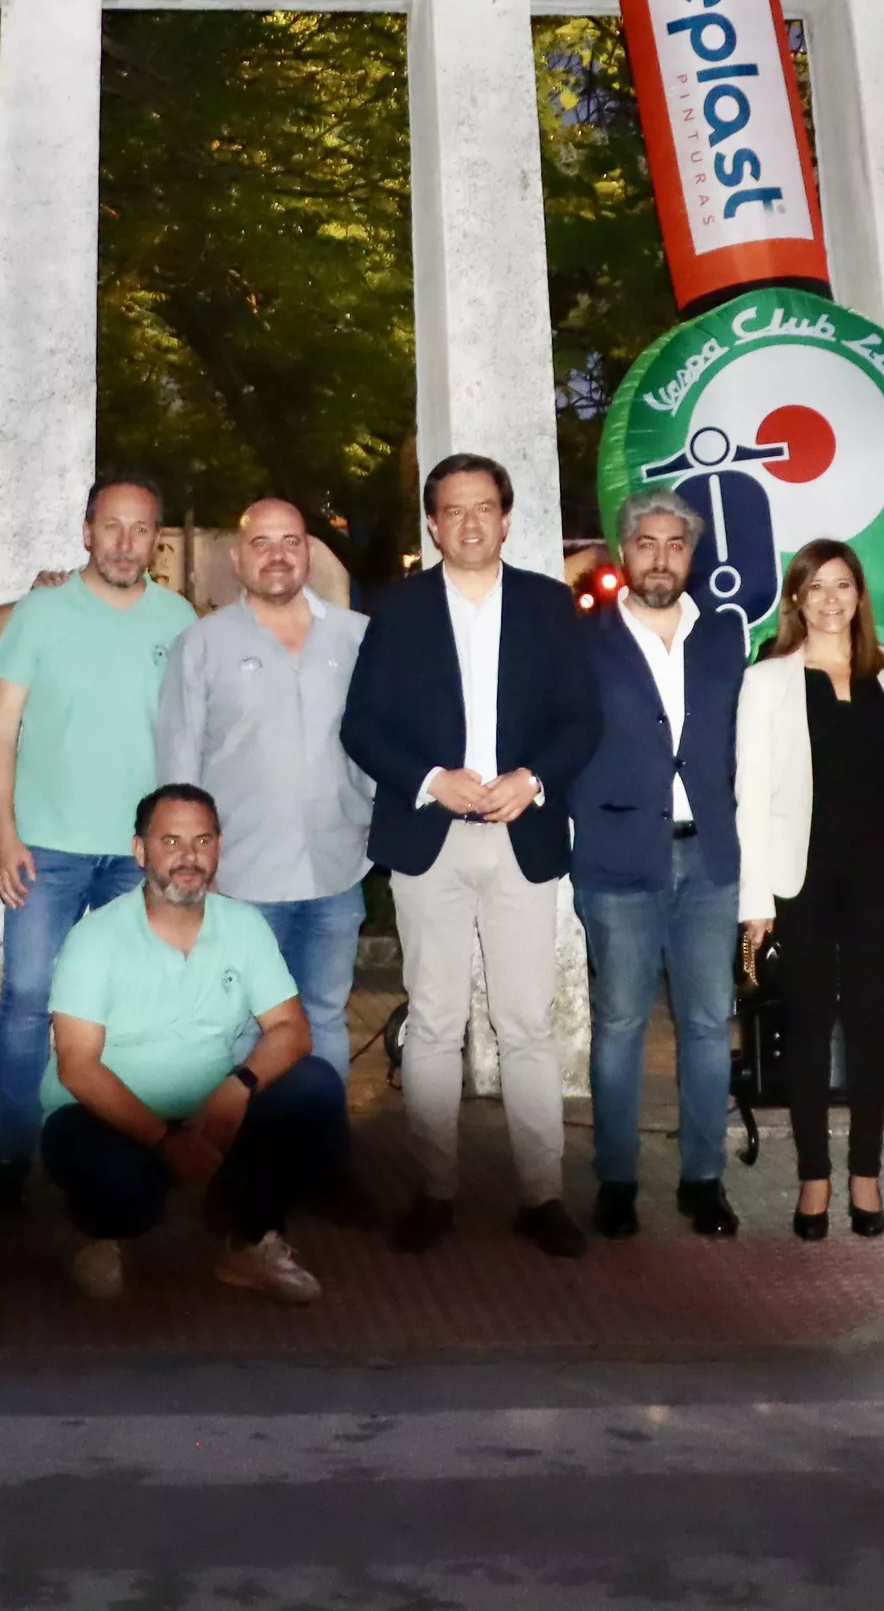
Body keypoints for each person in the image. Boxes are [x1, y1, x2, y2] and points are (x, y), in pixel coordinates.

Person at [338, 453, 600, 1259]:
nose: (471, 522)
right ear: (433, 523)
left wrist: (535, 779)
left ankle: (541, 1194)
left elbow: (581, 720)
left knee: (527, 1022)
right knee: (436, 1021)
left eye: (484, 507)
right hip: (432, 839)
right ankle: (434, 1190)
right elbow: (362, 725)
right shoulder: (399, 610)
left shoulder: (551, 606)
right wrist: (428, 781)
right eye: (453, 510)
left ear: (508, 516)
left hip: (523, 834)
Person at [0, 473, 198, 1207]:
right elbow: (0, 732)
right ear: (86, 530)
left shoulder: (178, 619)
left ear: (156, 541)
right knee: (29, 999)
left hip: (139, 858)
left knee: (134, 1008)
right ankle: (10, 1161)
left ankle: (122, 1156)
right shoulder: (38, 615)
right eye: (112, 526)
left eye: (141, 530)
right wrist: (4, 833)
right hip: (44, 849)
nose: (126, 543)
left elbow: (190, 742)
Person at [39, 785, 346, 1306]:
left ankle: (250, 1240)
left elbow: (292, 1029)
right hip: (103, 1117)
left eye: (203, 840)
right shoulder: (95, 939)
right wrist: (164, 1141)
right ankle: (101, 1238)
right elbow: (77, 1068)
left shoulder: (242, 926)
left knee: (315, 1090)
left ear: (219, 847)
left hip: (209, 1108)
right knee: (124, 1188)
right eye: (172, 841)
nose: (189, 858)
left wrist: (240, 1086)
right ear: (141, 851)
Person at [573, 485, 749, 1240]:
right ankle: (616, 1179)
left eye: (675, 545)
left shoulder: (726, 637)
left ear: (692, 555)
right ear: (623, 550)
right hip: (617, 857)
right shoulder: (584, 639)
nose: (660, 558)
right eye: (646, 542)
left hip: (710, 856)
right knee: (619, 1023)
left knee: (710, 1024)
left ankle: (702, 1179)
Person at [734, 538, 884, 1241]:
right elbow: (750, 796)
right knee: (806, 1027)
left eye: (843, 586)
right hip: (798, 878)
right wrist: (755, 902)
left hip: (881, 873)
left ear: (859, 596)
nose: (832, 600)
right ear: (796, 601)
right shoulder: (769, 680)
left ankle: (865, 1174)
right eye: (817, 588)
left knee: (875, 1022)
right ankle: (814, 1178)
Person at [152, 497, 372, 1078]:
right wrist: (192, 865)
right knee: (245, 1023)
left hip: (338, 867)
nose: (278, 556)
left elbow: (382, 744)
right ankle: (243, 1160)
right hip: (242, 878)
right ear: (238, 557)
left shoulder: (357, 638)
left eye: (291, 542)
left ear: (309, 550)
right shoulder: (202, 644)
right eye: (262, 543)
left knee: (324, 1014)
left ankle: (320, 1156)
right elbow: (178, 768)